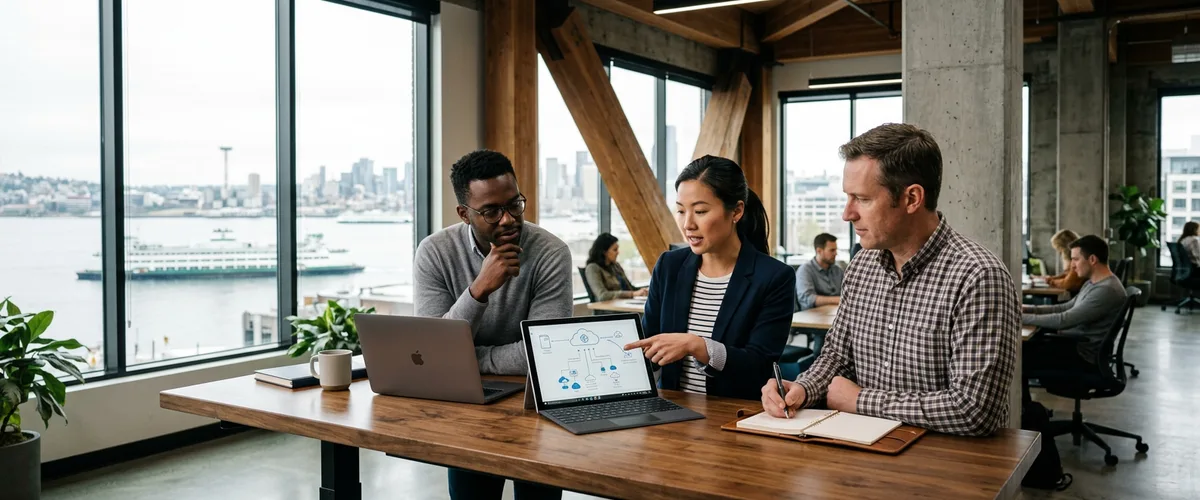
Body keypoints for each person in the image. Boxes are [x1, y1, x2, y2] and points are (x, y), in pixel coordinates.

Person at [760, 123, 1020, 437]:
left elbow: (975, 410)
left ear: (912, 198)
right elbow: (837, 357)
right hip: (863, 452)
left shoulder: (978, 276)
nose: (847, 214)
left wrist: (860, 400)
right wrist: (803, 387)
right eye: (847, 197)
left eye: (862, 199)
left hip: (947, 467)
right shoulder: (862, 266)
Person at [413, 149, 570, 500]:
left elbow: (547, 353)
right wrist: (479, 289)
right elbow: (433, 350)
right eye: (491, 212)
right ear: (464, 214)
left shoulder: (550, 252)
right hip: (466, 407)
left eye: (515, 204)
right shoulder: (435, 253)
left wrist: (467, 358)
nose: (508, 219)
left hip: (537, 405)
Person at [624, 155, 795, 400]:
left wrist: (697, 346)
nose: (688, 224)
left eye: (700, 211)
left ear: (736, 211)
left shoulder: (774, 277)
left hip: (732, 416)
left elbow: (759, 366)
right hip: (671, 412)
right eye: (681, 211)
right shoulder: (669, 266)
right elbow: (649, 345)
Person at [1022, 235, 1127, 399]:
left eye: (1076, 259)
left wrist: (1019, 318)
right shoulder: (1093, 283)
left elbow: (1064, 320)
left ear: (1092, 259)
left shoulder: (1106, 290)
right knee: (1026, 348)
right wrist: (1028, 309)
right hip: (1076, 346)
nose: (1072, 265)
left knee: (1018, 357)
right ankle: (1029, 413)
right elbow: (1065, 307)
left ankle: (1028, 415)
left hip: (1082, 357)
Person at [583, 233, 648, 301]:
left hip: (626, 304)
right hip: (611, 309)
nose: (618, 252)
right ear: (604, 252)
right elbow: (602, 295)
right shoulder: (593, 268)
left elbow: (630, 288)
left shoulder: (616, 266)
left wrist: (643, 291)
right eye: (615, 250)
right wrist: (632, 294)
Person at [795, 233, 844, 310]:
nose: (836, 253)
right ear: (819, 251)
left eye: (836, 250)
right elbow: (807, 299)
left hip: (834, 313)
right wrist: (838, 299)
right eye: (832, 250)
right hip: (810, 317)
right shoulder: (805, 270)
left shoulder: (837, 270)